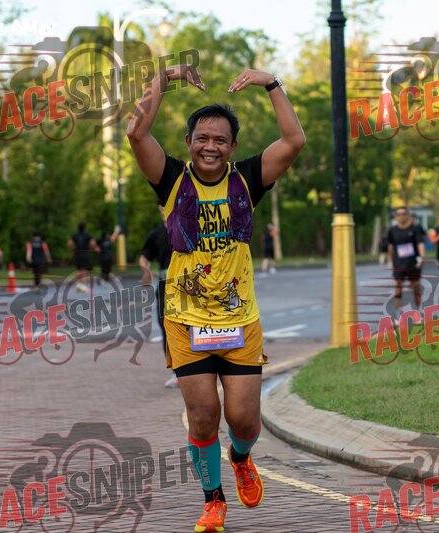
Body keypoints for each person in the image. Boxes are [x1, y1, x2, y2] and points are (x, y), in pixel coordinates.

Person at [127, 62, 305, 532]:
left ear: (233, 147)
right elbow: (136, 134)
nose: (211, 146)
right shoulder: (171, 179)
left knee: (243, 420)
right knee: (203, 417)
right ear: (189, 142)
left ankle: (241, 458)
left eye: (221, 140)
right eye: (202, 138)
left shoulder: (247, 179)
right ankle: (213, 500)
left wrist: (271, 83)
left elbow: (293, 141)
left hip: (239, 319)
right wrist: (162, 79)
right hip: (185, 319)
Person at [140, 205, 177, 389]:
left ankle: (196, 370)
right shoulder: (156, 234)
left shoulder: (187, 226)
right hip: (165, 287)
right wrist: (146, 271)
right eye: (162, 207)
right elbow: (144, 256)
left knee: (191, 327)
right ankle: (176, 372)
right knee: (166, 328)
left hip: (188, 286)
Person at [387, 207, 425, 320]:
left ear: (408, 215)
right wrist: (390, 261)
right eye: (398, 214)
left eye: (404, 214)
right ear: (395, 217)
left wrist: (422, 258)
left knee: (416, 288)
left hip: (413, 263)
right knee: (398, 289)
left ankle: (418, 311)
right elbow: (390, 247)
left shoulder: (415, 229)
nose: (401, 216)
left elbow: (420, 243)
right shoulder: (392, 230)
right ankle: (399, 315)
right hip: (399, 264)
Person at [68, 222, 97, 293]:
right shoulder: (88, 235)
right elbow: (93, 243)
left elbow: (69, 244)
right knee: (85, 271)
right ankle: (80, 286)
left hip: (77, 254)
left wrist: (74, 247)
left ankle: (78, 286)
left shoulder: (74, 235)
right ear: (85, 228)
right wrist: (91, 247)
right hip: (85, 254)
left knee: (79, 270)